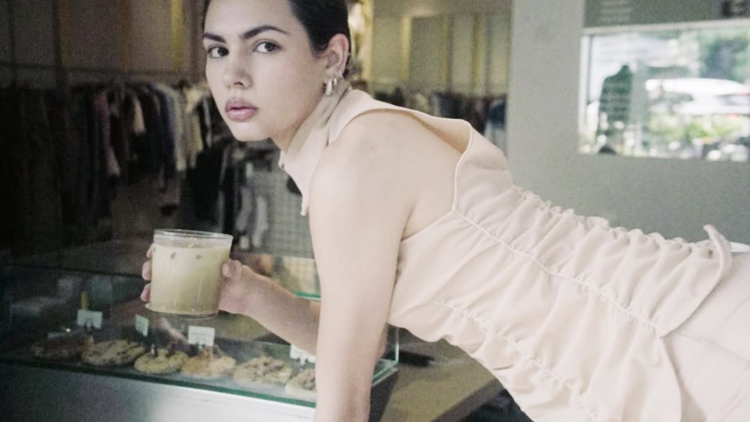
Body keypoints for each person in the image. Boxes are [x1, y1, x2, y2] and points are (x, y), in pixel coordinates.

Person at [141, 0, 750, 421]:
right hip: (646, 337)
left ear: (332, 56)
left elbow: (345, 400)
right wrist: (251, 294)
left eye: (265, 45)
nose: (233, 75)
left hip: (670, 343)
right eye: (217, 49)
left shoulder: (353, 161)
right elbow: (357, 346)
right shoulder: (355, 138)